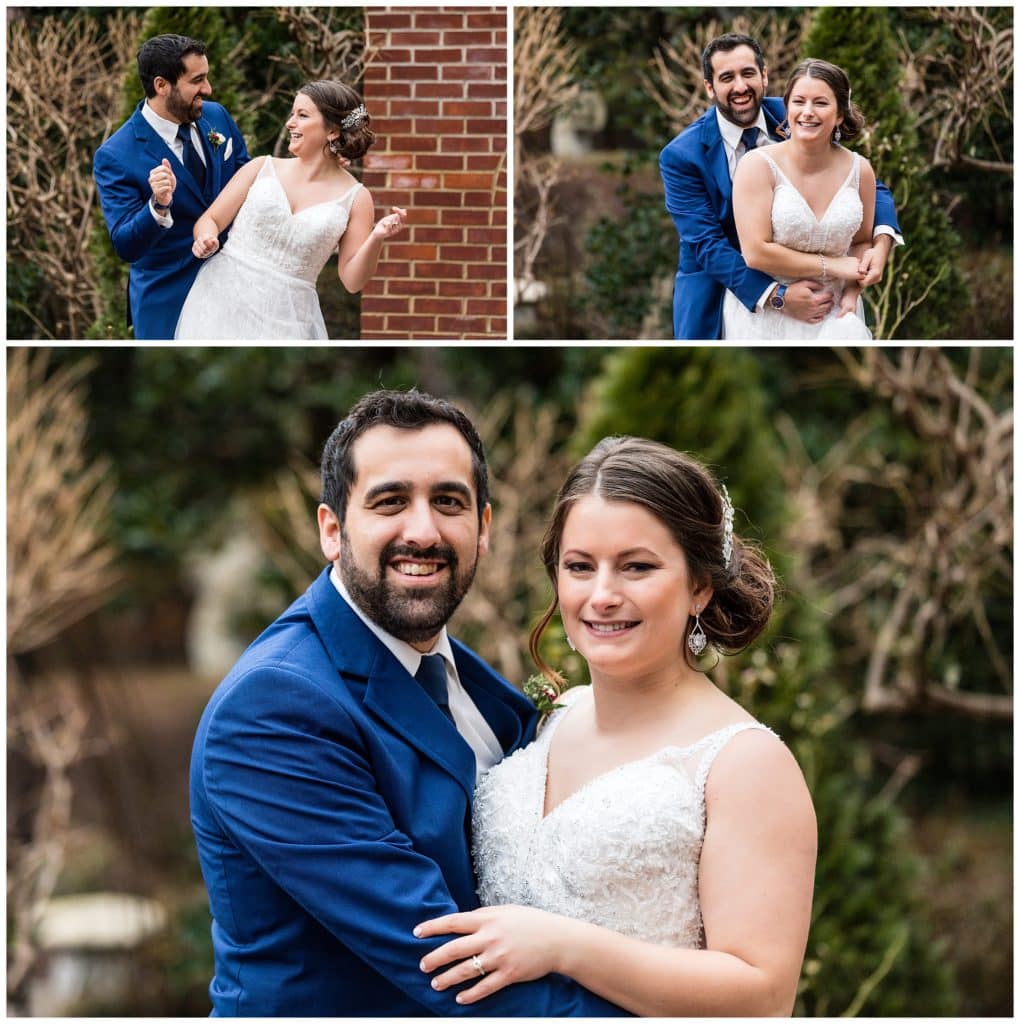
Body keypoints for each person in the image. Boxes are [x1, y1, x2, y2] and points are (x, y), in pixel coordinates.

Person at [189, 390, 626, 1016]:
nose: (422, 532)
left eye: (448, 502)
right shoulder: (273, 708)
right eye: (390, 501)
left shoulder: (474, 685)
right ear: (333, 530)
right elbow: (443, 959)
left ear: (483, 528)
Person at [414, 437, 817, 1016]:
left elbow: (761, 994)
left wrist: (565, 947)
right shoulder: (553, 719)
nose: (602, 595)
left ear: (700, 586)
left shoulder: (745, 763)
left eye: (637, 567)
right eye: (580, 567)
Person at [659, 32, 903, 341]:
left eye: (748, 73)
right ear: (710, 88)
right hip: (722, 286)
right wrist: (777, 296)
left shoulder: (798, 113)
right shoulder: (681, 156)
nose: (740, 87)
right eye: (726, 78)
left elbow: (861, 183)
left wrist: (880, 243)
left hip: (824, 295)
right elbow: (708, 244)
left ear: (764, 75)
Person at [174, 81, 406, 339]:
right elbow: (211, 219)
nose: (290, 123)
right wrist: (206, 237)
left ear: (331, 131)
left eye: (302, 115)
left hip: (289, 320)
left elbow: (353, 282)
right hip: (220, 302)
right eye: (292, 113)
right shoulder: (261, 167)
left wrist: (377, 237)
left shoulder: (357, 198)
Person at [94, 34, 250, 340]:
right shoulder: (115, 155)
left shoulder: (216, 116)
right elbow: (126, 245)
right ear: (161, 85)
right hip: (169, 299)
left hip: (237, 289)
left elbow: (249, 179)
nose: (208, 89)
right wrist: (157, 206)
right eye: (197, 80)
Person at [724, 59, 877, 340]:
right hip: (768, 313)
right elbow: (755, 252)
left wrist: (852, 294)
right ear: (787, 107)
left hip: (835, 311)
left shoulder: (861, 170)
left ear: (840, 114)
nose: (807, 112)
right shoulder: (757, 166)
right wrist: (832, 266)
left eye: (820, 103)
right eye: (798, 101)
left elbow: (861, 242)